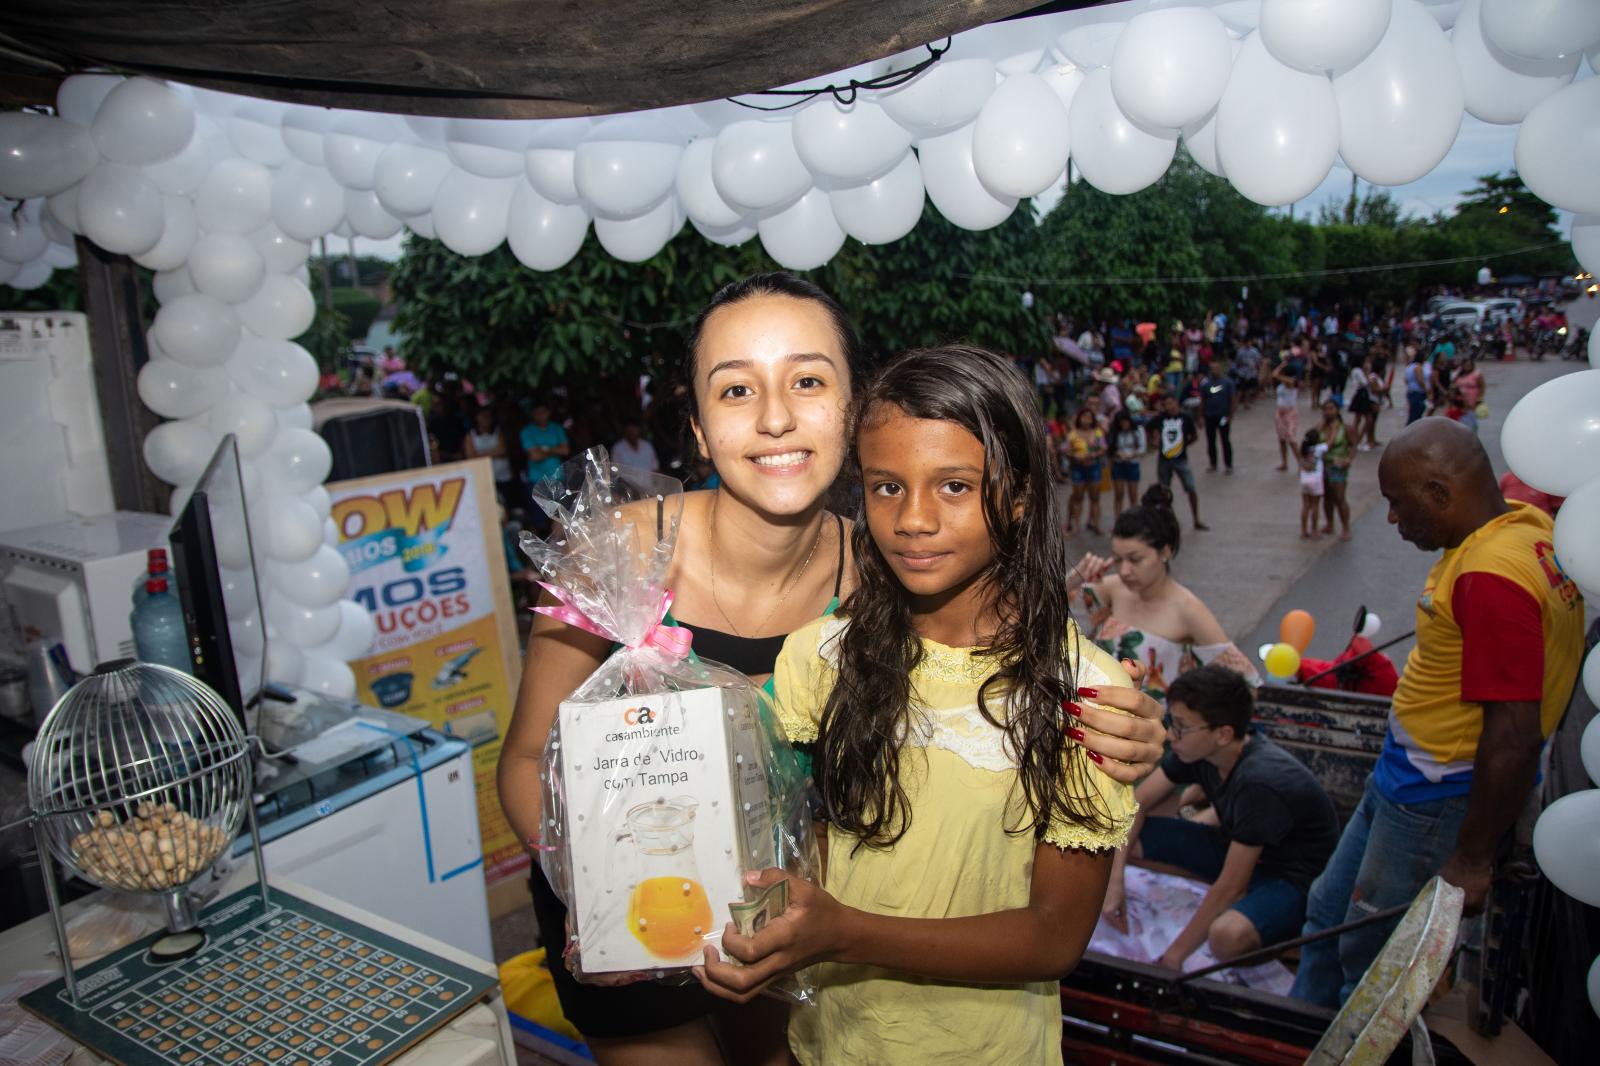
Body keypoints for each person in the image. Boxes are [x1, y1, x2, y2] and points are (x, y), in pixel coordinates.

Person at [499, 274, 1167, 1066]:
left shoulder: (888, 572)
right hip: (620, 932)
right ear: (701, 430)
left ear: (855, 415)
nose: (775, 416)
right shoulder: (612, 552)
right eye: (737, 388)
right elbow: (526, 758)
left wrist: (1133, 723)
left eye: (808, 381)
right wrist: (604, 886)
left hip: (787, 928)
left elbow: (996, 669)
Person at [694, 345, 1140, 1064]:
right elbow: (804, 849)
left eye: (955, 486)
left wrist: (843, 932)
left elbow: (1054, 937)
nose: (914, 519)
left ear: (1020, 494)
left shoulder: (1084, 695)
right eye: (887, 487)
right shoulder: (820, 657)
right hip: (831, 1044)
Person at [1291, 418, 1585, 1009]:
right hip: (1404, 776)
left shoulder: (1490, 577)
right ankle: (1298, 1024)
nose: (1393, 520)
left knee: (1372, 960)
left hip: (1433, 799)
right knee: (1328, 910)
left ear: (1440, 494)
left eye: (1399, 505)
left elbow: (1513, 735)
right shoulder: (1526, 526)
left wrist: (1473, 859)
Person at [1103, 665, 1339, 970]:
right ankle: (1204, 893)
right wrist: (1114, 881)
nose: (1170, 735)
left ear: (1223, 734)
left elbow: (1231, 886)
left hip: (1292, 878)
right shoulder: (1199, 752)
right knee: (1123, 844)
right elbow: (1136, 804)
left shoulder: (1260, 782)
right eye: (1171, 722)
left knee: (1227, 937)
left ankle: (1268, 927)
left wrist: (1173, 959)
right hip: (1232, 847)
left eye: (1182, 726)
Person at [1078, 487, 1257, 701]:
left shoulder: (1188, 609)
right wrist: (1076, 578)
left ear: (1166, 551)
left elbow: (1246, 685)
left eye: (1135, 560)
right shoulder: (1108, 589)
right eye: (1118, 559)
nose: (1124, 570)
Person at [1154, 394, 1207, 531]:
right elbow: (1150, 428)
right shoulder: (1161, 418)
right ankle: (1167, 520)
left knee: (1191, 488)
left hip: (1180, 459)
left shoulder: (1185, 418)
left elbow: (1194, 436)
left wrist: (1183, 445)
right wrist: (1154, 441)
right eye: (1166, 405)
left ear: (1176, 403)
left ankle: (1196, 519)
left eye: (1171, 403)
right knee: (1164, 491)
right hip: (1164, 459)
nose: (1169, 407)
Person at [464, 404, 520, 510]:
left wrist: (480, 455)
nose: (486, 419)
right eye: (483, 416)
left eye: (488, 416)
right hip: (484, 478)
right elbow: (471, 457)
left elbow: (503, 450)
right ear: (476, 418)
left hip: (503, 476)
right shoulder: (470, 435)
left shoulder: (498, 431)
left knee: (507, 505)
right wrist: (494, 452)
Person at [1065, 405, 1108, 536]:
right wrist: (1074, 456)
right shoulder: (1072, 434)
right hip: (1078, 467)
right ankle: (1076, 526)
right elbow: (1066, 450)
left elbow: (1103, 447)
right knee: (1078, 496)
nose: (1086, 420)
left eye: (1089, 417)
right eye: (1084, 417)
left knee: (1095, 497)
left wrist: (1094, 455)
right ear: (1079, 418)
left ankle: (1096, 524)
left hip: (1094, 466)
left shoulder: (1097, 433)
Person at [1317, 399, 1354, 540]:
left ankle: (1346, 527)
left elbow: (1353, 445)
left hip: (1338, 466)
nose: (1328, 412)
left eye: (1331, 408)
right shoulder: (1321, 427)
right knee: (1326, 497)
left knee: (1339, 497)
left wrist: (1348, 459)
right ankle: (1329, 523)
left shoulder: (1345, 428)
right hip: (1323, 465)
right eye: (1325, 409)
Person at [520, 400, 570, 488]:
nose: (540, 416)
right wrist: (555, 450)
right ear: (532, 414)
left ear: (548, 412)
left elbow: (565, 450)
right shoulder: (527, 431)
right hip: (537, 479)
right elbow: (535, 456)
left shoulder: (556, 428)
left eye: (543, 412)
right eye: (537, 413)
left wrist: (544, 449)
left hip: (558, 477)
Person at [1199, 363, 1236, 475]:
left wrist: (1230, 415)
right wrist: (1200, 416)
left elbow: (1232, 399)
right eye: (1212, 369)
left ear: (1220, 369)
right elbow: (1202, 401)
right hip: (1209, 416)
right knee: (1211, 441)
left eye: (1216, 368)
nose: (1214, 371)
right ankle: (1213, 464)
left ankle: (1228, 465)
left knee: (1225, 440)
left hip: (1223, 416)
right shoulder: (1206, 384)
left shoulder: (1228, 383)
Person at [1109, 409, 1145, 517]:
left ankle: (1133, 519)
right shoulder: (1115, 433)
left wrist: (1131, 455)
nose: (1124, 424)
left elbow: (1142, 448)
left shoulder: (1138, 430)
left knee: (1133, 494)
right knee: (1119, 494)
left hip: (1133, 464)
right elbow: (1110, 449)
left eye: (1125, 422)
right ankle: (1118, 519)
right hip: (1118, 464)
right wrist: (1119, 454)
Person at [1272, 351, 1302, 472]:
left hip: (1290, 413)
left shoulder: (1292, 382)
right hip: (1280, 412)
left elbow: (1274, 374)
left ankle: (1300, 463)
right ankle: (1284, 462)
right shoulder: (1285, 383)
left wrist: (1281, 366)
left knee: (1291, 439)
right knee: (1282, 439)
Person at [1298, 430, 1329, 540]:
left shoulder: (1302, 449)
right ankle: (1314, 530)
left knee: (1306, 506)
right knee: (1315, 506)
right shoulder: (1319, 448)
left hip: (1304, 479)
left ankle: (1303, 530)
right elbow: (1330, 443)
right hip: (1315, 480)